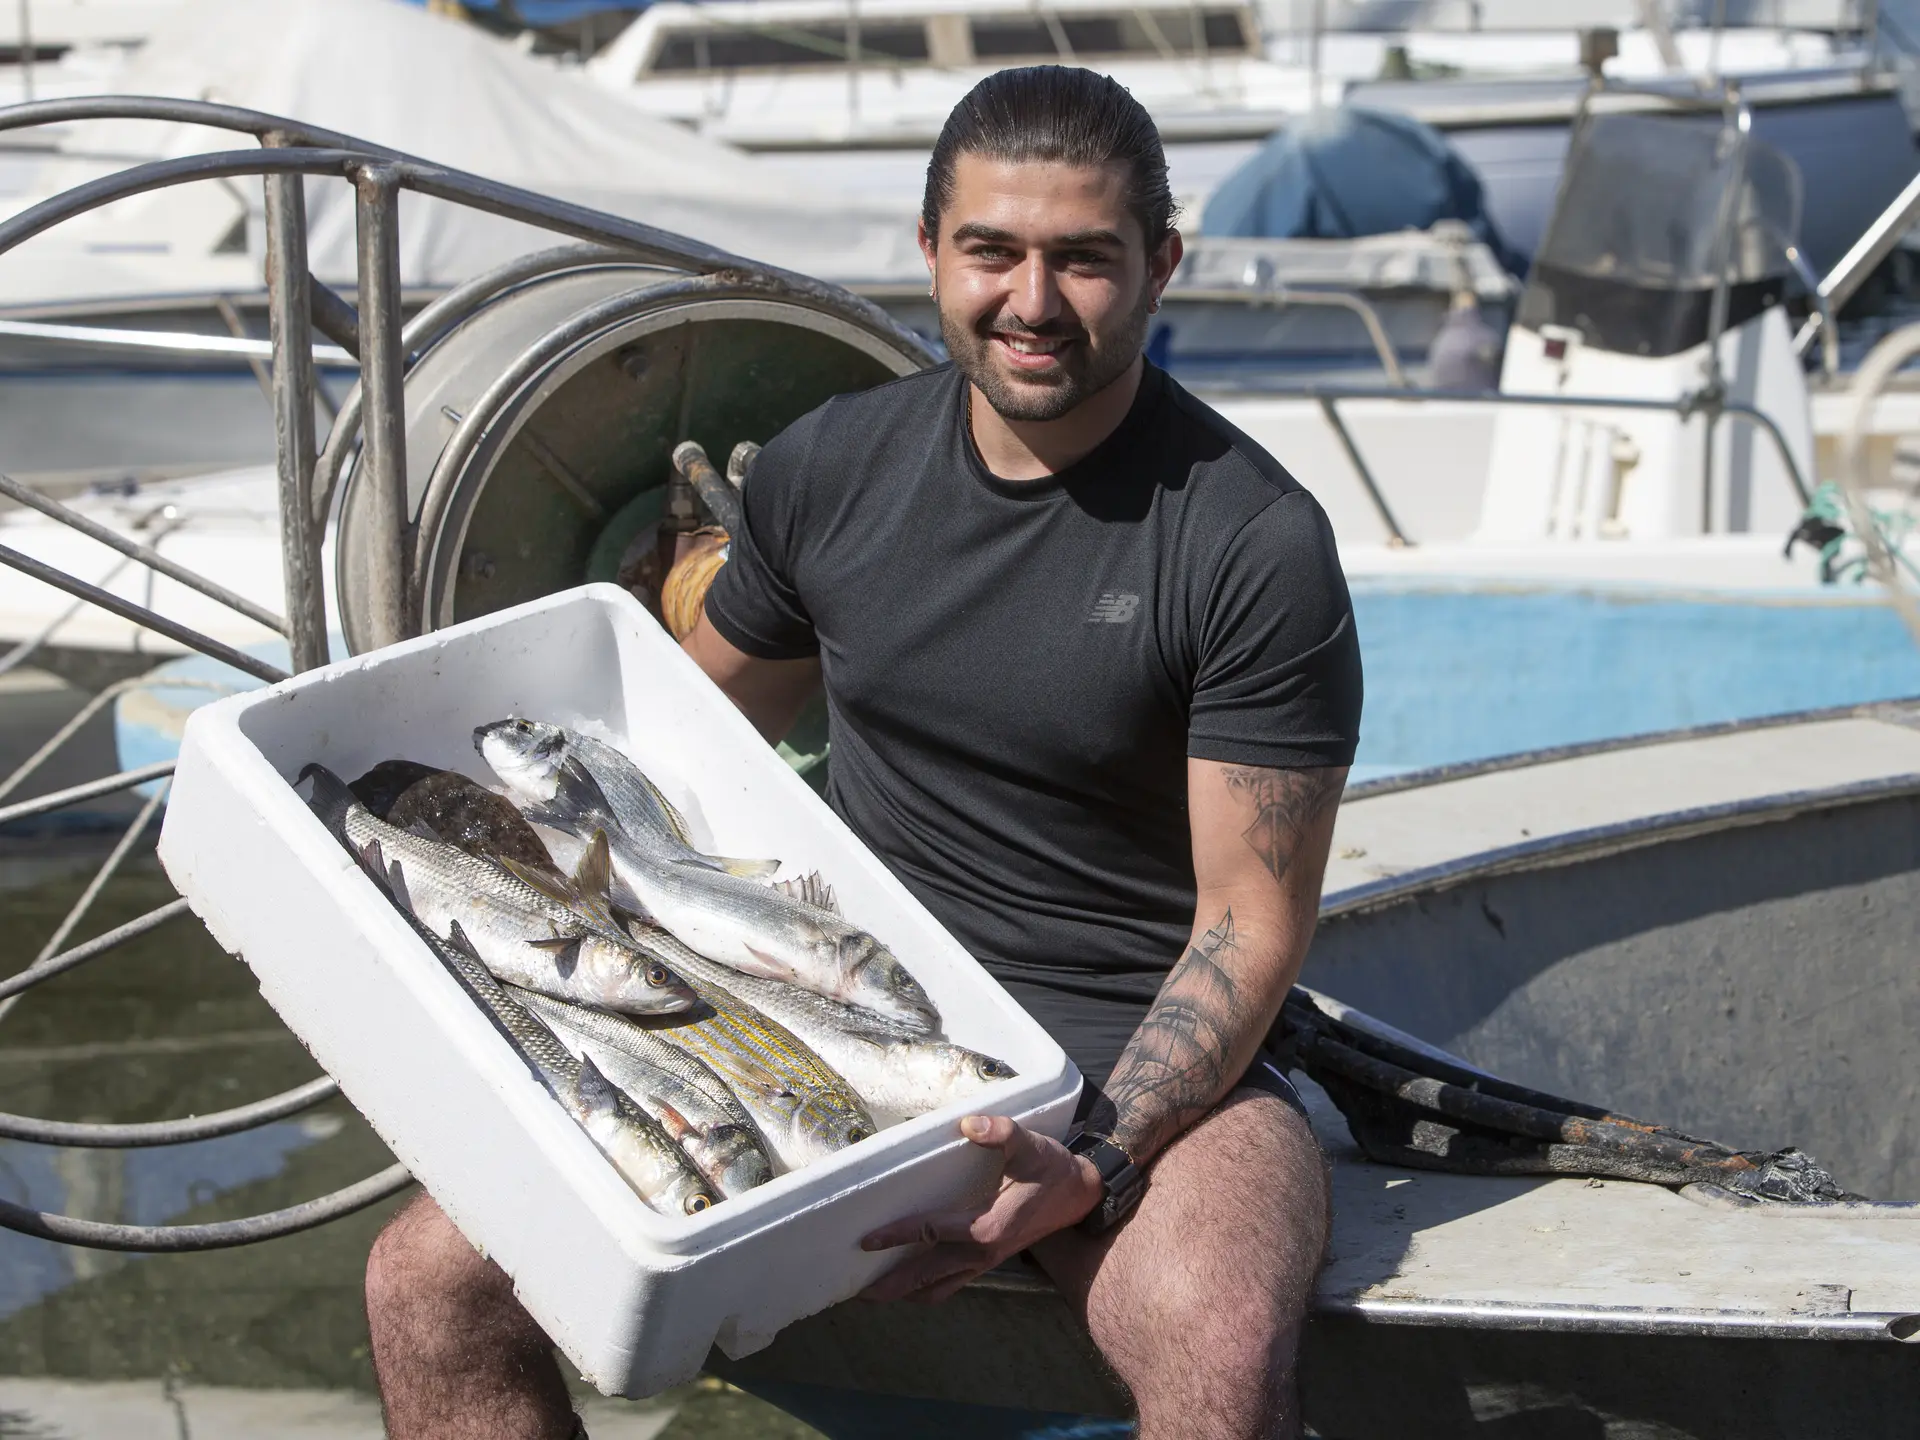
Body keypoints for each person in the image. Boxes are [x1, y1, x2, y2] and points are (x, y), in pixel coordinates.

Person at [363, 64, 1362, 1440]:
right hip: (801, 1019)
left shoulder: (1252, 540)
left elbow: (1251, 926)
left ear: (1161, 267)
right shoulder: (829, 471)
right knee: (428, 1282)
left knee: (1214, 1334)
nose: (1030, 300)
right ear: (928, 254)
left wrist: (1097, 1155)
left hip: (1130, 1052)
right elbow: (676, 740)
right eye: (991, 251)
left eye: (1083, 259)